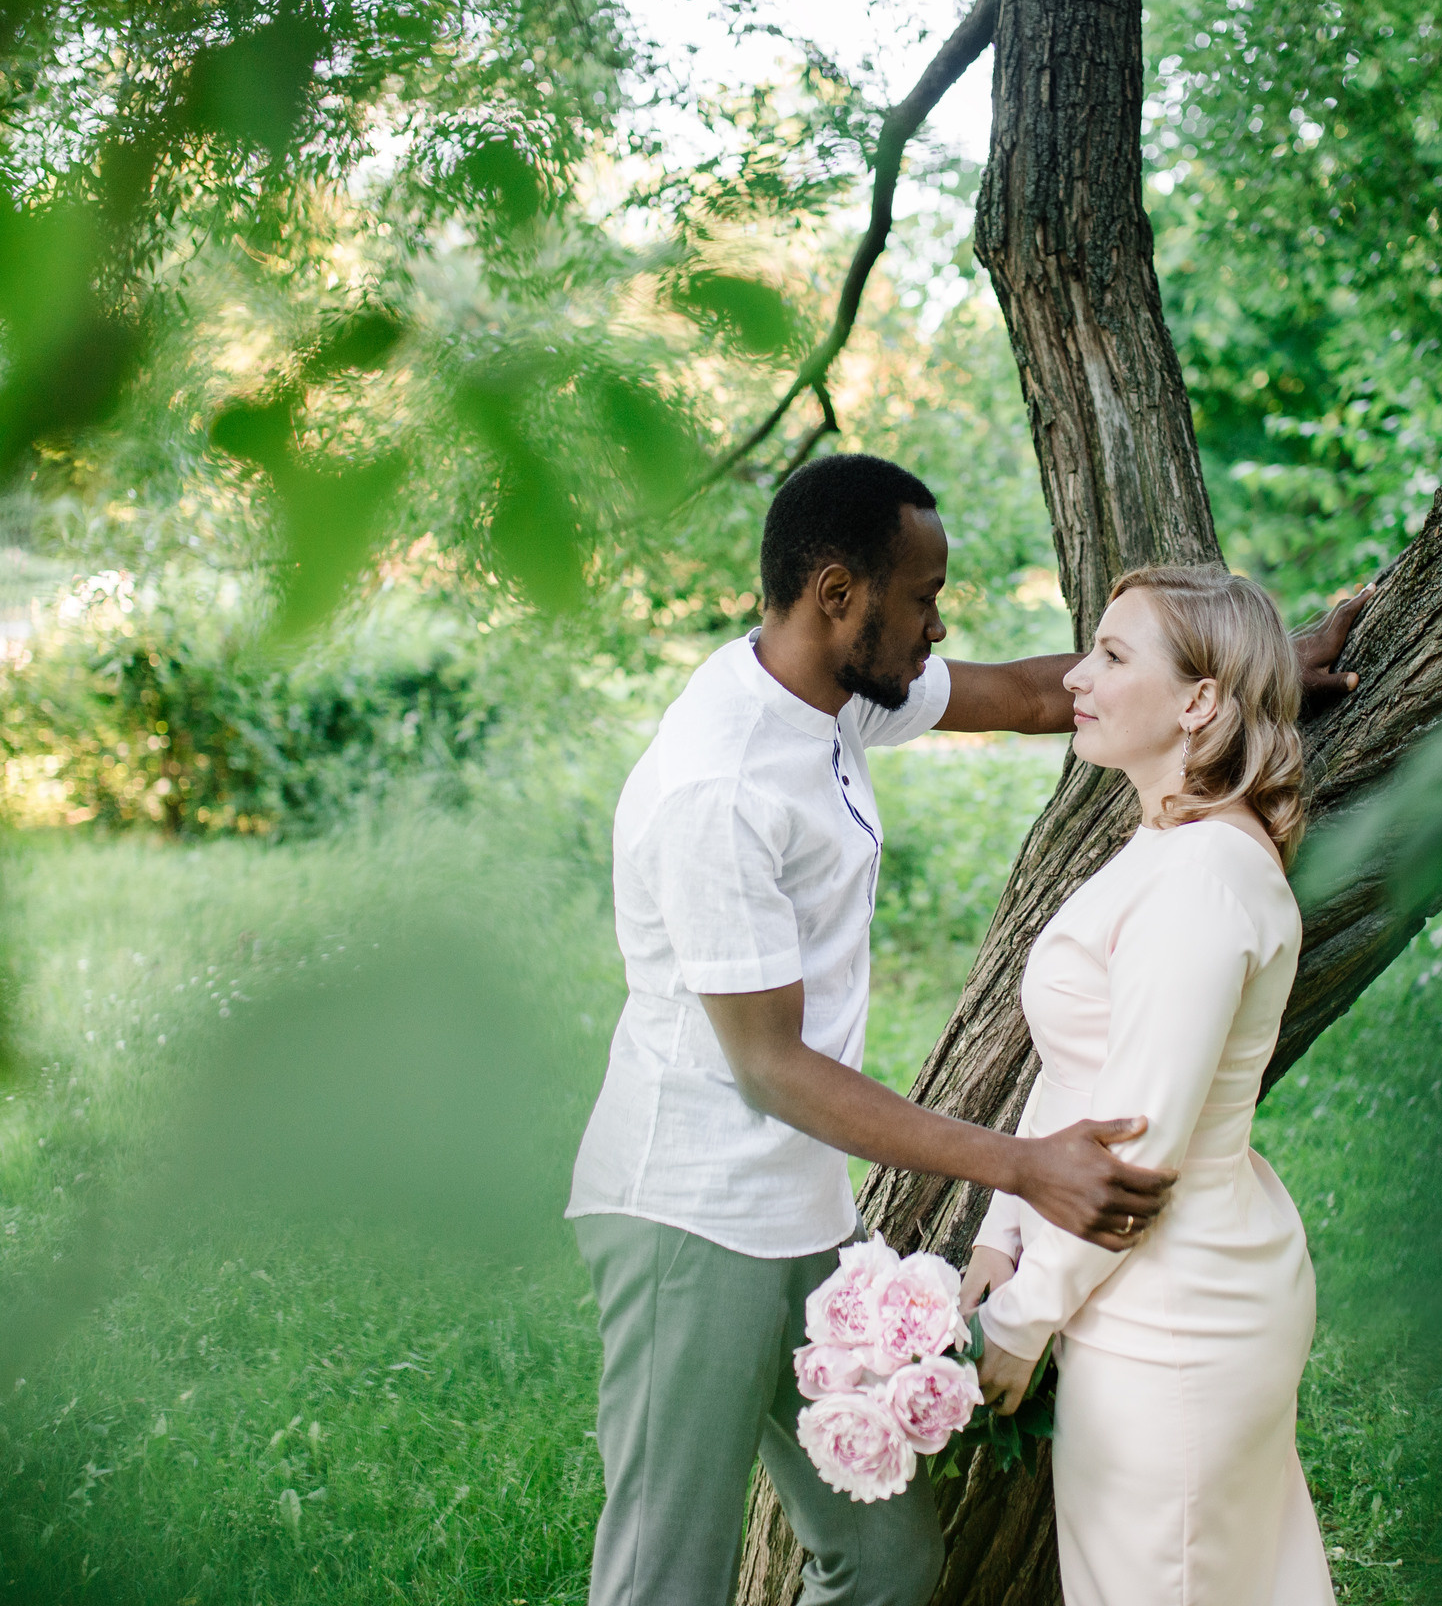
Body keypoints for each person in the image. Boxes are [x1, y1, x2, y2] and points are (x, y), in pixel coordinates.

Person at [566, 456, 1363, 1606]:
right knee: (665, 1578)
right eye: (925, 598)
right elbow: (769, 1067)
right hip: (689, 1211)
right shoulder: (720, 784)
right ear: (839, 595)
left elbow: (1045, 698)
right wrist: (1023, 1170)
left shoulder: (832, 693)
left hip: (796, 1211)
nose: (941, 625)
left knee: (887, 1567)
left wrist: (1251, 672)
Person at [962, 563, 1339, 1606]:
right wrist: (1001, 1236)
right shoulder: (1163, 846)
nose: (1076, 677)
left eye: (1113, 656)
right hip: (1142, 1291)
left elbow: (1136, 1145)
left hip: (1176, 1315)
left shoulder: (1204, 880)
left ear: (1201, 701)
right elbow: (1080, 1070)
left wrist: (1020, 1319)